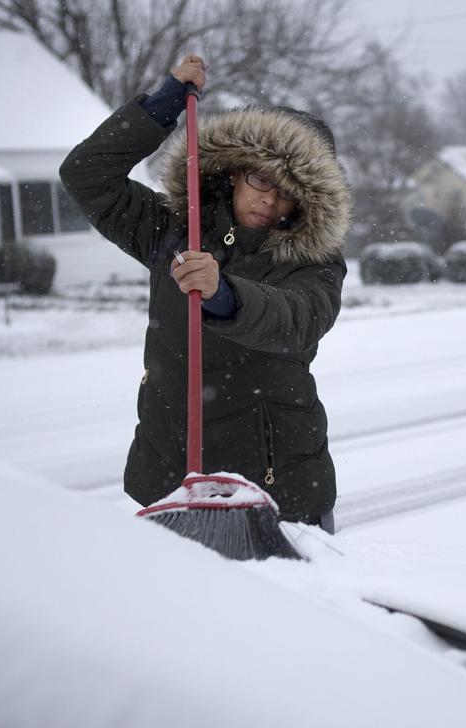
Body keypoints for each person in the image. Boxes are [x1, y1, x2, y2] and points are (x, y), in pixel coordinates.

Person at [60, 54, 350, 533]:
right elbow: (86, 175)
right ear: (235, 170)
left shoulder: (313, 259)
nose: (269, 199)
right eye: (260, 178)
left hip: (277, 490)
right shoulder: (174, 229)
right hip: (172, 477)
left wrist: (225, 295)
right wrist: (162, 106)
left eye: (288, 190)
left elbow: (296, 321)